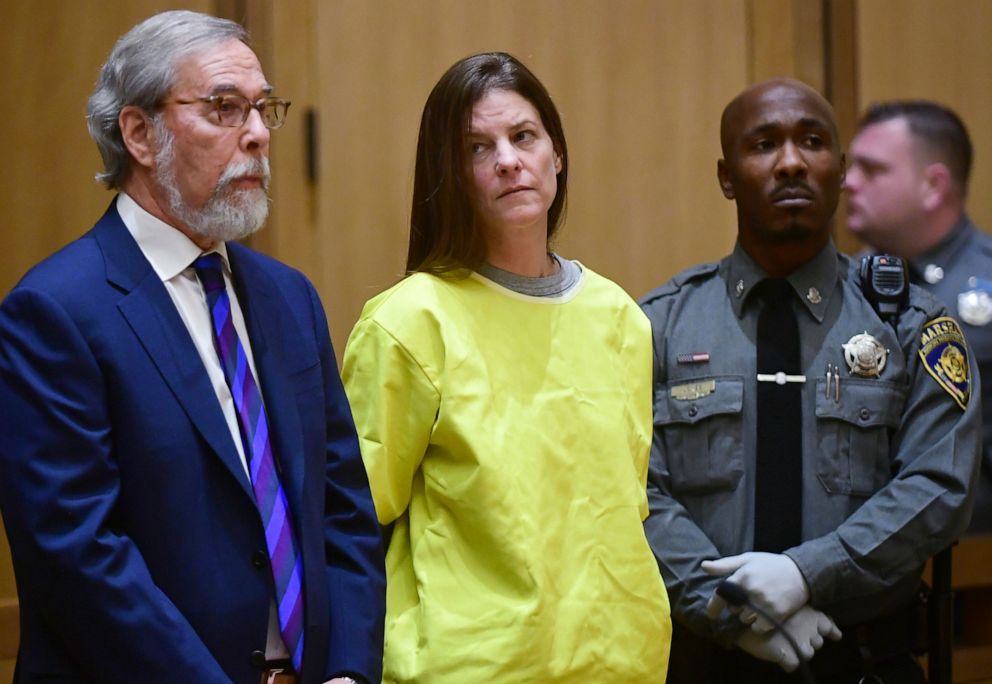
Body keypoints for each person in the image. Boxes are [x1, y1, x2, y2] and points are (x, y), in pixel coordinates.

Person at [0, 11, 384, 684]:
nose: (260, 135)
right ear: (140, 134)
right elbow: (78, 557)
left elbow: (344, 511)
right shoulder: (54, 311)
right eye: (225, 110)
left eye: (264, 109)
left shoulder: (289, 297)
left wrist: (349, 671)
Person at [340, 52, 672, 682]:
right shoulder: (410, 321)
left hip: (621, 659)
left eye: (524, 136)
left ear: (558, 154)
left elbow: (621, 506)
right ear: (451, 174)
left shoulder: (621, 316)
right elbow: (353, 519)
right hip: (469, 665)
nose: (508, 160)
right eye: (476, 148)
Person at [640, 79, 981, 683]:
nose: (792, 161)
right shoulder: (659, 326)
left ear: (842, 170)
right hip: (704, 664)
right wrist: (734, 613)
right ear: (726, 177)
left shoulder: (912, 325)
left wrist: (807, 572)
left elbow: (938, 484)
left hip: (867, 664)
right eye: (764, 144)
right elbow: (634, 492)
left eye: (813, 142)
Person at [845, 100, 992, 534]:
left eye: (871, 170)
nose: (848, 182)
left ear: (933, 185)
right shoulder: (843, 284)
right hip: (855, 558)